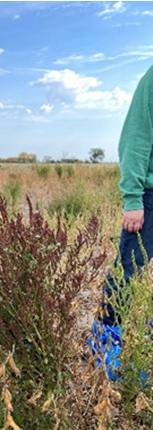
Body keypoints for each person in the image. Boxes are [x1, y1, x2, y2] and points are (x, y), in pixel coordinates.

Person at [92, 66, 153, 380]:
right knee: (129, 271)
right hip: (149, 197)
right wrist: (133, 199)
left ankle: (145, 357)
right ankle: (105, 353)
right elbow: (136, 140)